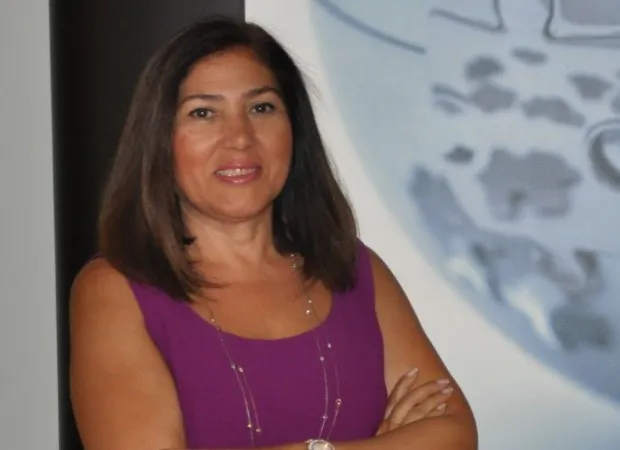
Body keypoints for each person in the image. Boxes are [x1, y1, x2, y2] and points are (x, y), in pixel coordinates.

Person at [69, 17, 477, 450]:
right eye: (203, 113)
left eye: (261, 108)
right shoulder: (115, 290)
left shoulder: (353, 270)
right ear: (159, 139)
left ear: (294, 129)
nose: (239, 138)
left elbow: (455, 436)